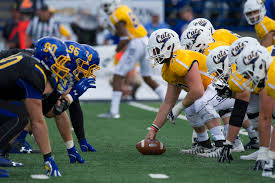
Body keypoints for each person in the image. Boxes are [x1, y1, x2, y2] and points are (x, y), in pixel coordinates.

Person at [145, 28, 229, 157]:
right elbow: (168, 102)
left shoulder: (180, 59)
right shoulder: (169, 68)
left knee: (199, 103)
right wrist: (154, 128)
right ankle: (204, 144)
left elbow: (197, 90)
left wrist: (179, 107)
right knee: (190, 107)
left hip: (226, 87)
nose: (154, 53)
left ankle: (220, 144)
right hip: (215, 90)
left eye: (156, 49)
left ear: (167, 46)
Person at [0, 37, 71, 177]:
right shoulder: (35, 72)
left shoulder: (32, 63)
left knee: (19, 111)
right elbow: (38, 121)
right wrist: (48, 158)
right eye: (60, 60)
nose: (63, 65)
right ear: (47, 57)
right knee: (20, 115)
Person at [98, 0, 165, 119]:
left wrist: (114, 52)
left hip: (136, 43)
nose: (106, 9)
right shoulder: (124, 8)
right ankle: (167, 102)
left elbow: (124, 38)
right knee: (147, 77)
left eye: (107, 5)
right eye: (105, 6)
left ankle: (114, 111)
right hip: (145, 40)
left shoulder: (116, 15)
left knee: (118, 75)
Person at [231, 45, 275, 177]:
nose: (249, 78)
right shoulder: (265, 61)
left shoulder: (271, 73)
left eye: (250, 73)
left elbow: (266, 118)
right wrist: (265, 156)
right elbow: (265, 117)